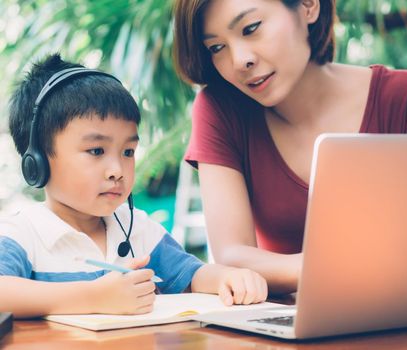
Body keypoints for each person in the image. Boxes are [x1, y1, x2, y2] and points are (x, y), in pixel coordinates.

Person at [173, 0, 407, 294]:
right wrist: (339, 269)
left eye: (251, 28)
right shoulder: (221, 109)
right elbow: (232, 256)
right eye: (217, 48)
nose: (240, 60)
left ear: (308, 6)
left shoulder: (404, 98)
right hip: (284, 331)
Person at [0, 54, 268, 319]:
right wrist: (94, 297)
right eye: (96, 150)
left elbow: (192, 275)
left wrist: (228, 277)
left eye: (128, 152)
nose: (117, 170)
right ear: (37, 163)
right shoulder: (23, 233)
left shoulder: (137, 229)